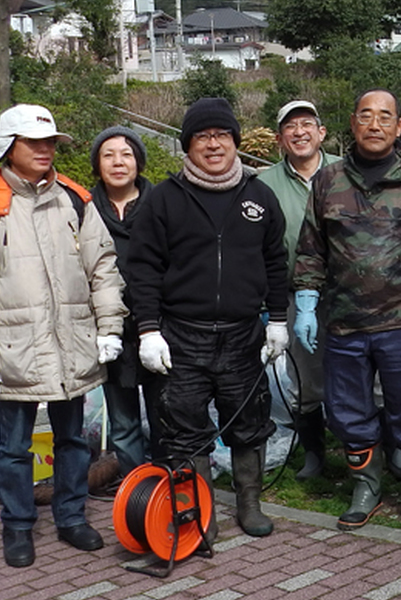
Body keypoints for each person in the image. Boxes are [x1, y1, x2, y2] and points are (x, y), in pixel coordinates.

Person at [294, 88, 401, 533]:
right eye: (365, 115)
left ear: (399, 126)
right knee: (349, 410)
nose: (375, 124)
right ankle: (366, 483)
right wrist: (306, 302)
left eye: (385, 116)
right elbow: (311, 249)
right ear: (352, 123)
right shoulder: (328, 181)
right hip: (345, 321)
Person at [127, 97, 289, 539]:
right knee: (184, 428)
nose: (213, 145)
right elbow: (141, 269)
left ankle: (250, 503)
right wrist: (147, 330)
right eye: (203, 136)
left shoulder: (259, 196)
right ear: (188, 145)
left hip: (242, 335)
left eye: (222, 135)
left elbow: (276, 262)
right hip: (181, 336)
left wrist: (278, 320)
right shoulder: (163, 199)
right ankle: (198, 510)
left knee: (248, 422)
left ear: (235, 142)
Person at [0, 104, 127, 567]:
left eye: (50, 141)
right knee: (13, 447)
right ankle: (16, 525)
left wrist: (109, 327)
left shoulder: (75, 199)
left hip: (72, 343)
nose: (45, 149)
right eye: (34, 142)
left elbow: (103, 268)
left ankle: (72, 516)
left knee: (73, 440)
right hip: (12, 349)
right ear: (8, 146)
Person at [258, 100, 341, 481]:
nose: (299, 132)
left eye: (307, 123)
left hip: (350, 294)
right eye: (290, 126)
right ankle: (315, 453)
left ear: (322, 132)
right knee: (306, 378)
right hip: (295, 295)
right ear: (279, 138)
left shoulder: (346, 171)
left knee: (362, 373)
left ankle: (366, 450)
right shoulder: (263, 184)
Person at [87, 126, 166, 493]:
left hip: (160, 328)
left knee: (165, 413)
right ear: (97, 164)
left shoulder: (163, 203)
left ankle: (169, 485)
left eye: (127, 154)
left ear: (139, 161)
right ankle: (136, 490)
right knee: (123, 419)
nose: (118, 162)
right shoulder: (84, 208)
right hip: (109, 331)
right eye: (108, 155)